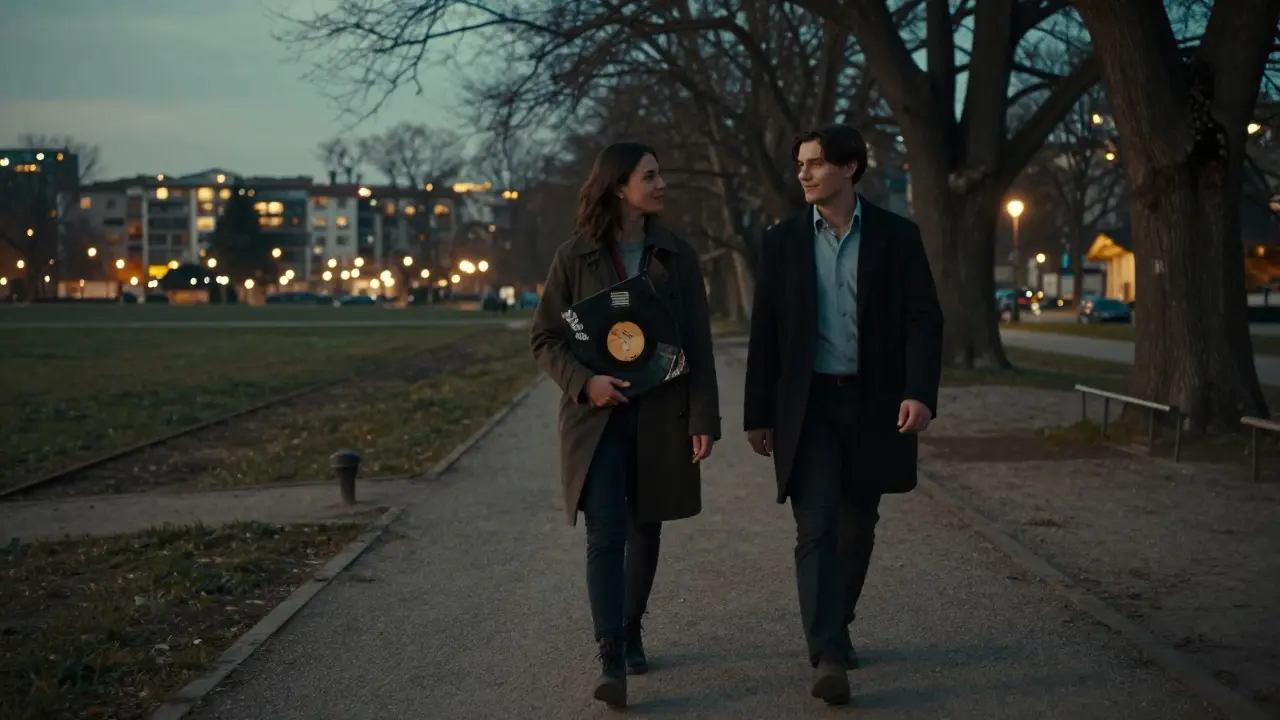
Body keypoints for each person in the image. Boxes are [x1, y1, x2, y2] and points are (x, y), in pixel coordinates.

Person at [742, 123, 943, 706]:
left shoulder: (897, 237)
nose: (803, 173)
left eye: (816, 164)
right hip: (808, 406)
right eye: (800, 164)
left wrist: (919, 391)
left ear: (850, 168)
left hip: (875, 403)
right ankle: (827, 652)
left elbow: (924, 320)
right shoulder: (780, 242)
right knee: (817, 524)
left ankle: (838, 619)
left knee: (858, 523)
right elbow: (766, 334)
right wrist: (760, 414)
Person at [529, 141, 721, 709]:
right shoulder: (574, 256)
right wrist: (584, 383)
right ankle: (611, 655)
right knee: (605, 532)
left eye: (660, 175)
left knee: (646, 527)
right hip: (597, 420)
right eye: (650, 176)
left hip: (662, 415)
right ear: (619, 186)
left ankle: (633, 625)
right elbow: (545, 338)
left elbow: (700, 347)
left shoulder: (678, 257)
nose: (661, 185)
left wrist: (705, 417)